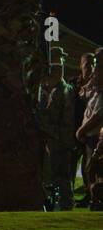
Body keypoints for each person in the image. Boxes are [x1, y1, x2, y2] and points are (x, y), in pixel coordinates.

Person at [38, 63, 76, 210]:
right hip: (52, 137)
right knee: (53, 174)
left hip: (59, 139)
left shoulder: (64, 91)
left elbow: (67, 118)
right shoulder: (50, 90)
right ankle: (57, 202)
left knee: (61, 174)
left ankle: (66, 203)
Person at [75, 49, 103, 208]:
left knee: (95, 169)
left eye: (98, 64)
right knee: (90, 169)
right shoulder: (95, 86)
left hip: (95, 137)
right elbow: (82, 95)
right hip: (90, 137)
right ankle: (94, 199)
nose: (94, 70)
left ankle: (97, 201)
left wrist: (81, 130)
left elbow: (98, 115)